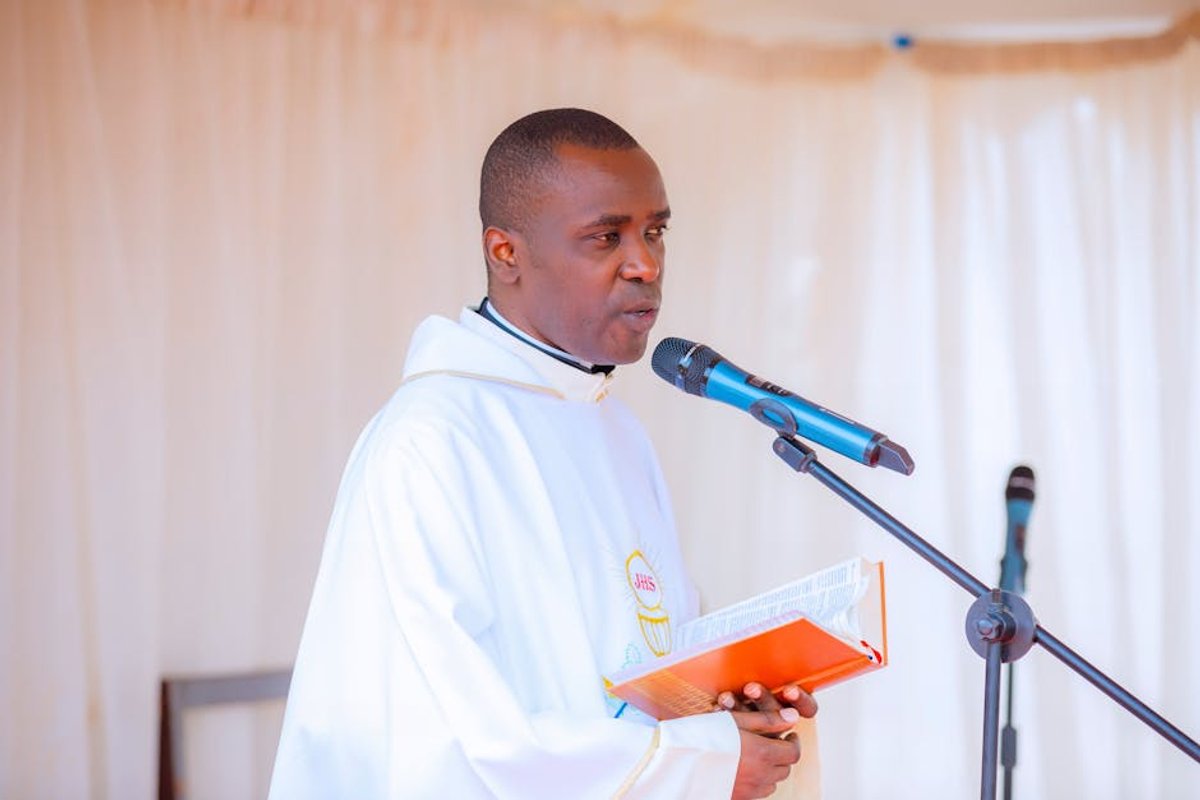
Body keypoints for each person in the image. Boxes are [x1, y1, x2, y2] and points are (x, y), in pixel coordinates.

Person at [269, 108, 818, 799]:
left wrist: (731, 710)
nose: (645, 264)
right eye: (605, 237)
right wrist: (694, 763)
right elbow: (449, 739)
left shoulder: (613, 426)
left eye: (655, 231)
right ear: (506, 253)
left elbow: (643, 658)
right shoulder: (431, 441)